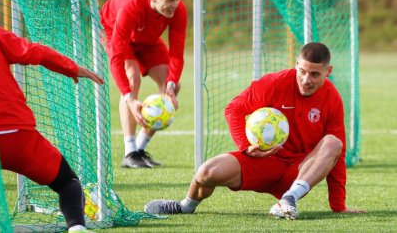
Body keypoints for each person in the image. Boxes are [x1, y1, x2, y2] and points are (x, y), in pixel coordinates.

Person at [144, 42, 366, 219]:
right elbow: (234, 109)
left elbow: (338, 152)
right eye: (302, 71)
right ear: (296, 63)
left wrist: (338, 205)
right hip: (262, 161)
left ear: (328, 71)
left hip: (299, 171)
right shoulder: (274, 83)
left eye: (314, 74)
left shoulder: (332, 98)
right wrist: (246, 147)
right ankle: (185, 206)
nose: (306, 80)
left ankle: (289, 199)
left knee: (333, 142)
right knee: (206, 172)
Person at [0, 24, 104, 232]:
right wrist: (71, 68)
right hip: (18, 136)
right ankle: (77, 227)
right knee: (68, 182)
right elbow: (37, 52)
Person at [100, 0, 187, 168]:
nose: (175, 4)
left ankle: (139, 149)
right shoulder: (131, 7)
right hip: (113, 30)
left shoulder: (178, 10)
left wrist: (171, 87)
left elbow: (176, 53)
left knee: (170, 85)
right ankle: (130, 151)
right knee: (133, 80)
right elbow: (116, 58)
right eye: (170, 0)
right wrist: (129, 99)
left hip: (146, 39)